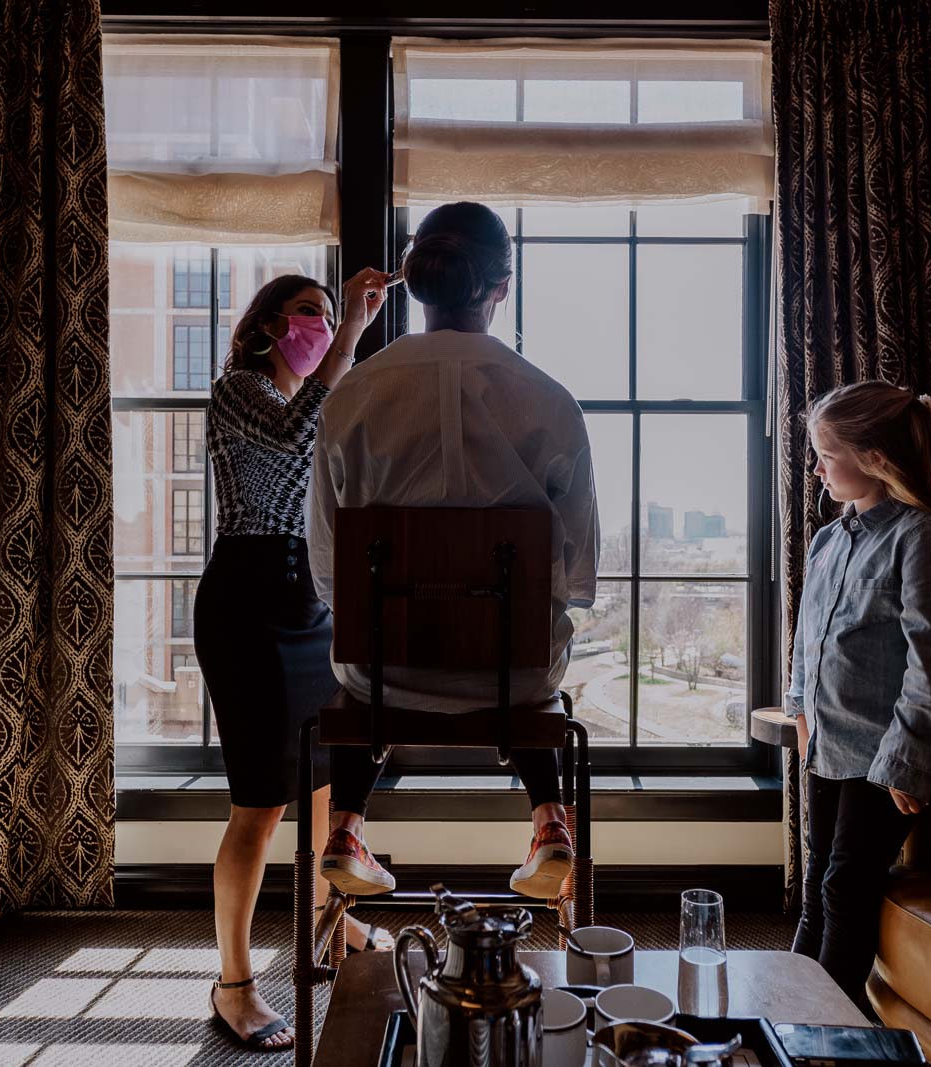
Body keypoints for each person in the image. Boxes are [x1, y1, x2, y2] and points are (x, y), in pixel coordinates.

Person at [306, 201, 600, 902]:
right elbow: (579, 573)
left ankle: (346, 824)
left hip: (383, 675)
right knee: (530, 651)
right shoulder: (551, 402)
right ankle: (549, 818)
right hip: (514, 676)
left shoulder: (350, 397)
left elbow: (327, 568)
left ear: (413, 280)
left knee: (353, 667)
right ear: (502, 287)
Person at [197, 266, 393, 1051]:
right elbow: (287, 436)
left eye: (328, 312)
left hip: (307, 596)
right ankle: (234, 982)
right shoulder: (237, 390)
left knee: (323, 787)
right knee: (261, 803)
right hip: (246, 599)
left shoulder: (323, 401)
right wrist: (352, 331)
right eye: (308, 311)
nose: (322, 323)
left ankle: (332, 924)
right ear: (267, 325)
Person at [785, 380, 931, 1011]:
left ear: (873, 458)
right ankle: (785, 1010)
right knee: (816, 886)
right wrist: (800, 711)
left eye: (825, 454)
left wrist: (908, 759)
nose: (815, 468)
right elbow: (807, 639)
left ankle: (823, 1029)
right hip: (828, 744)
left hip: (884, 754)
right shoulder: (828, 541)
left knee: (844, 887)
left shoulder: (922, 538)